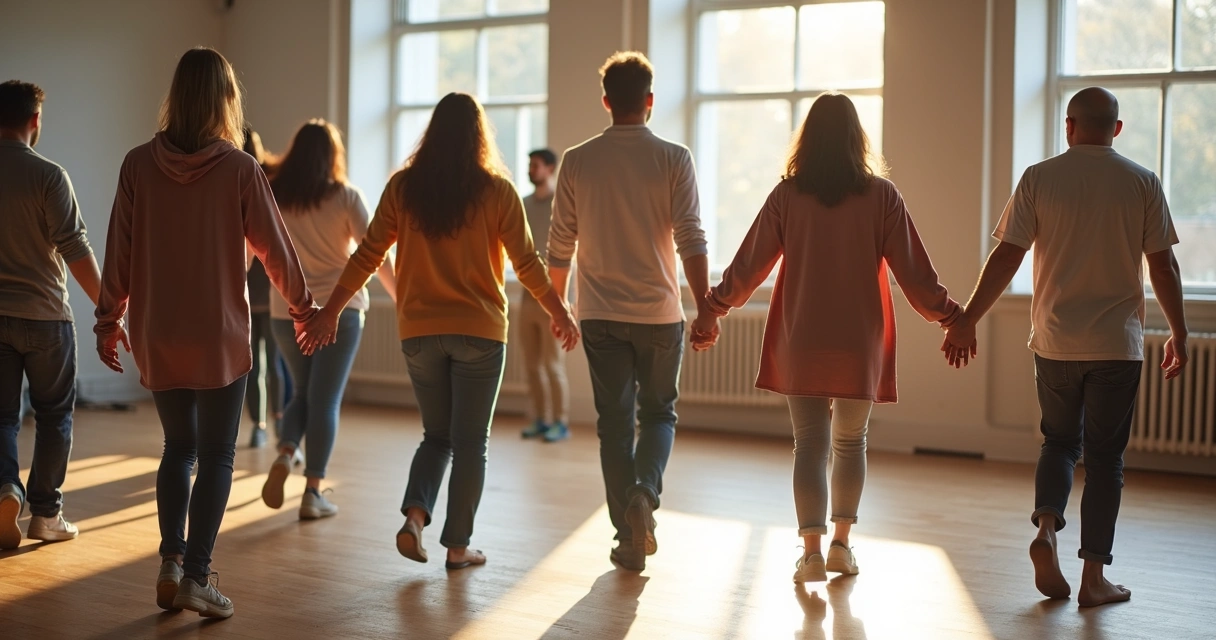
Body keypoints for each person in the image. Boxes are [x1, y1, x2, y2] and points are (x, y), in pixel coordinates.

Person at [300, 92, 578, 570]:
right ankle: (457, 547)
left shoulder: (404, 188)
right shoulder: (497, 191)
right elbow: (527, 264)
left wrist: (330, 310)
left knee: (436, 435)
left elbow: (367, 255)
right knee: (472, 442)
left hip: (419, 330)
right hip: (481, 331)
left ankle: (414, 517)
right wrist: (559, 309)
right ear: (479, 136)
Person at [694, 93, 961, 584]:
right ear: (856, 139)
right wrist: (950, 316)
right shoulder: (882, 196)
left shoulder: (787, 196)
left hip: (803, 336)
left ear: (808, 140)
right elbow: (915, 274)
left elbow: (749, 265)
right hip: (858, 339)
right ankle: (841, 545)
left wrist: (712, 310)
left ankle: (811, 553)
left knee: (809, 445)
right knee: (851, 441)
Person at [942, 87, 1188, 608]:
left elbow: (1006, 256)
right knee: (1105, 461)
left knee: (1058, 443)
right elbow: (1162, 265)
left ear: (1069, 126)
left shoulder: (1039, 177)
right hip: (1116, 346)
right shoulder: (1142, 181)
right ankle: (1094, 578)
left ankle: (1047, 528)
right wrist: (1180, 334)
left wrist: (967, 319)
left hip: (1054, 342)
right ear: (1116, 129)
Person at [94, 47, 319, 618]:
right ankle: (197, 575)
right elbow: (275, 249)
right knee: (218, 453)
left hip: (158, 329)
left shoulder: (137, 164)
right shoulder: (241, 168)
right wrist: (305, 308)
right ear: (226, 99)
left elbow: (117, 248)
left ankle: (170, 562)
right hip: (219, 334)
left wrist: (107, 318)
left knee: (178, 449)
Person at [546, 52, 713, 572]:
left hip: (598, 314)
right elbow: (691, 237)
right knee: (659, 413)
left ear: (605, 102)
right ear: (649, 100)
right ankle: (645, 492)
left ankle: (626, 535)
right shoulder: (674, 157)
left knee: (613, 425)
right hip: (660, 314)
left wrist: (558, 307)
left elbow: (559, 245)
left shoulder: (576, 160)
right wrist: (706, 307)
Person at [259, 119, 396, 520]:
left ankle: (287, 452)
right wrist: (402, 297)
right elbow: (375, 252)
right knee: (326, 400)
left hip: (286, 312)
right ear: (333, 156)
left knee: (303, 393)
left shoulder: (275, 196)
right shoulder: (346, 197)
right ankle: (313, 491)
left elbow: (253, 251)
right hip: (341, 311)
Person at [0, 80, 103, 550]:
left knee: (1, 418)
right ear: (35, 120)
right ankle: (46, 514)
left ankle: (5, 490)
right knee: (54, 415)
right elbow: (75, 248)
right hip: (46, 315)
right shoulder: (49, 174)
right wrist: (109, 307)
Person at [517, 148, 571, 443]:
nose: (530, 169)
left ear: (550, 168)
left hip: (554, 298)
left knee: (553, 364)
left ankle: (560, 422)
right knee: (532, 364)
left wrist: (564, 300)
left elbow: (570, 254)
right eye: (529, 164)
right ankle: (539, 418)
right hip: (527, 298)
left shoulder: (561, 205)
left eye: (535, 165)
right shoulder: (523, 205)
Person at [242, 128, 285, 449]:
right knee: (270, 364)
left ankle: (263, 425)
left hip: (255, 293)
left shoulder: (258, 188)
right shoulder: (270, 188)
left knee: (255, 365)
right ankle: (277, 425)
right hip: (265, 294)